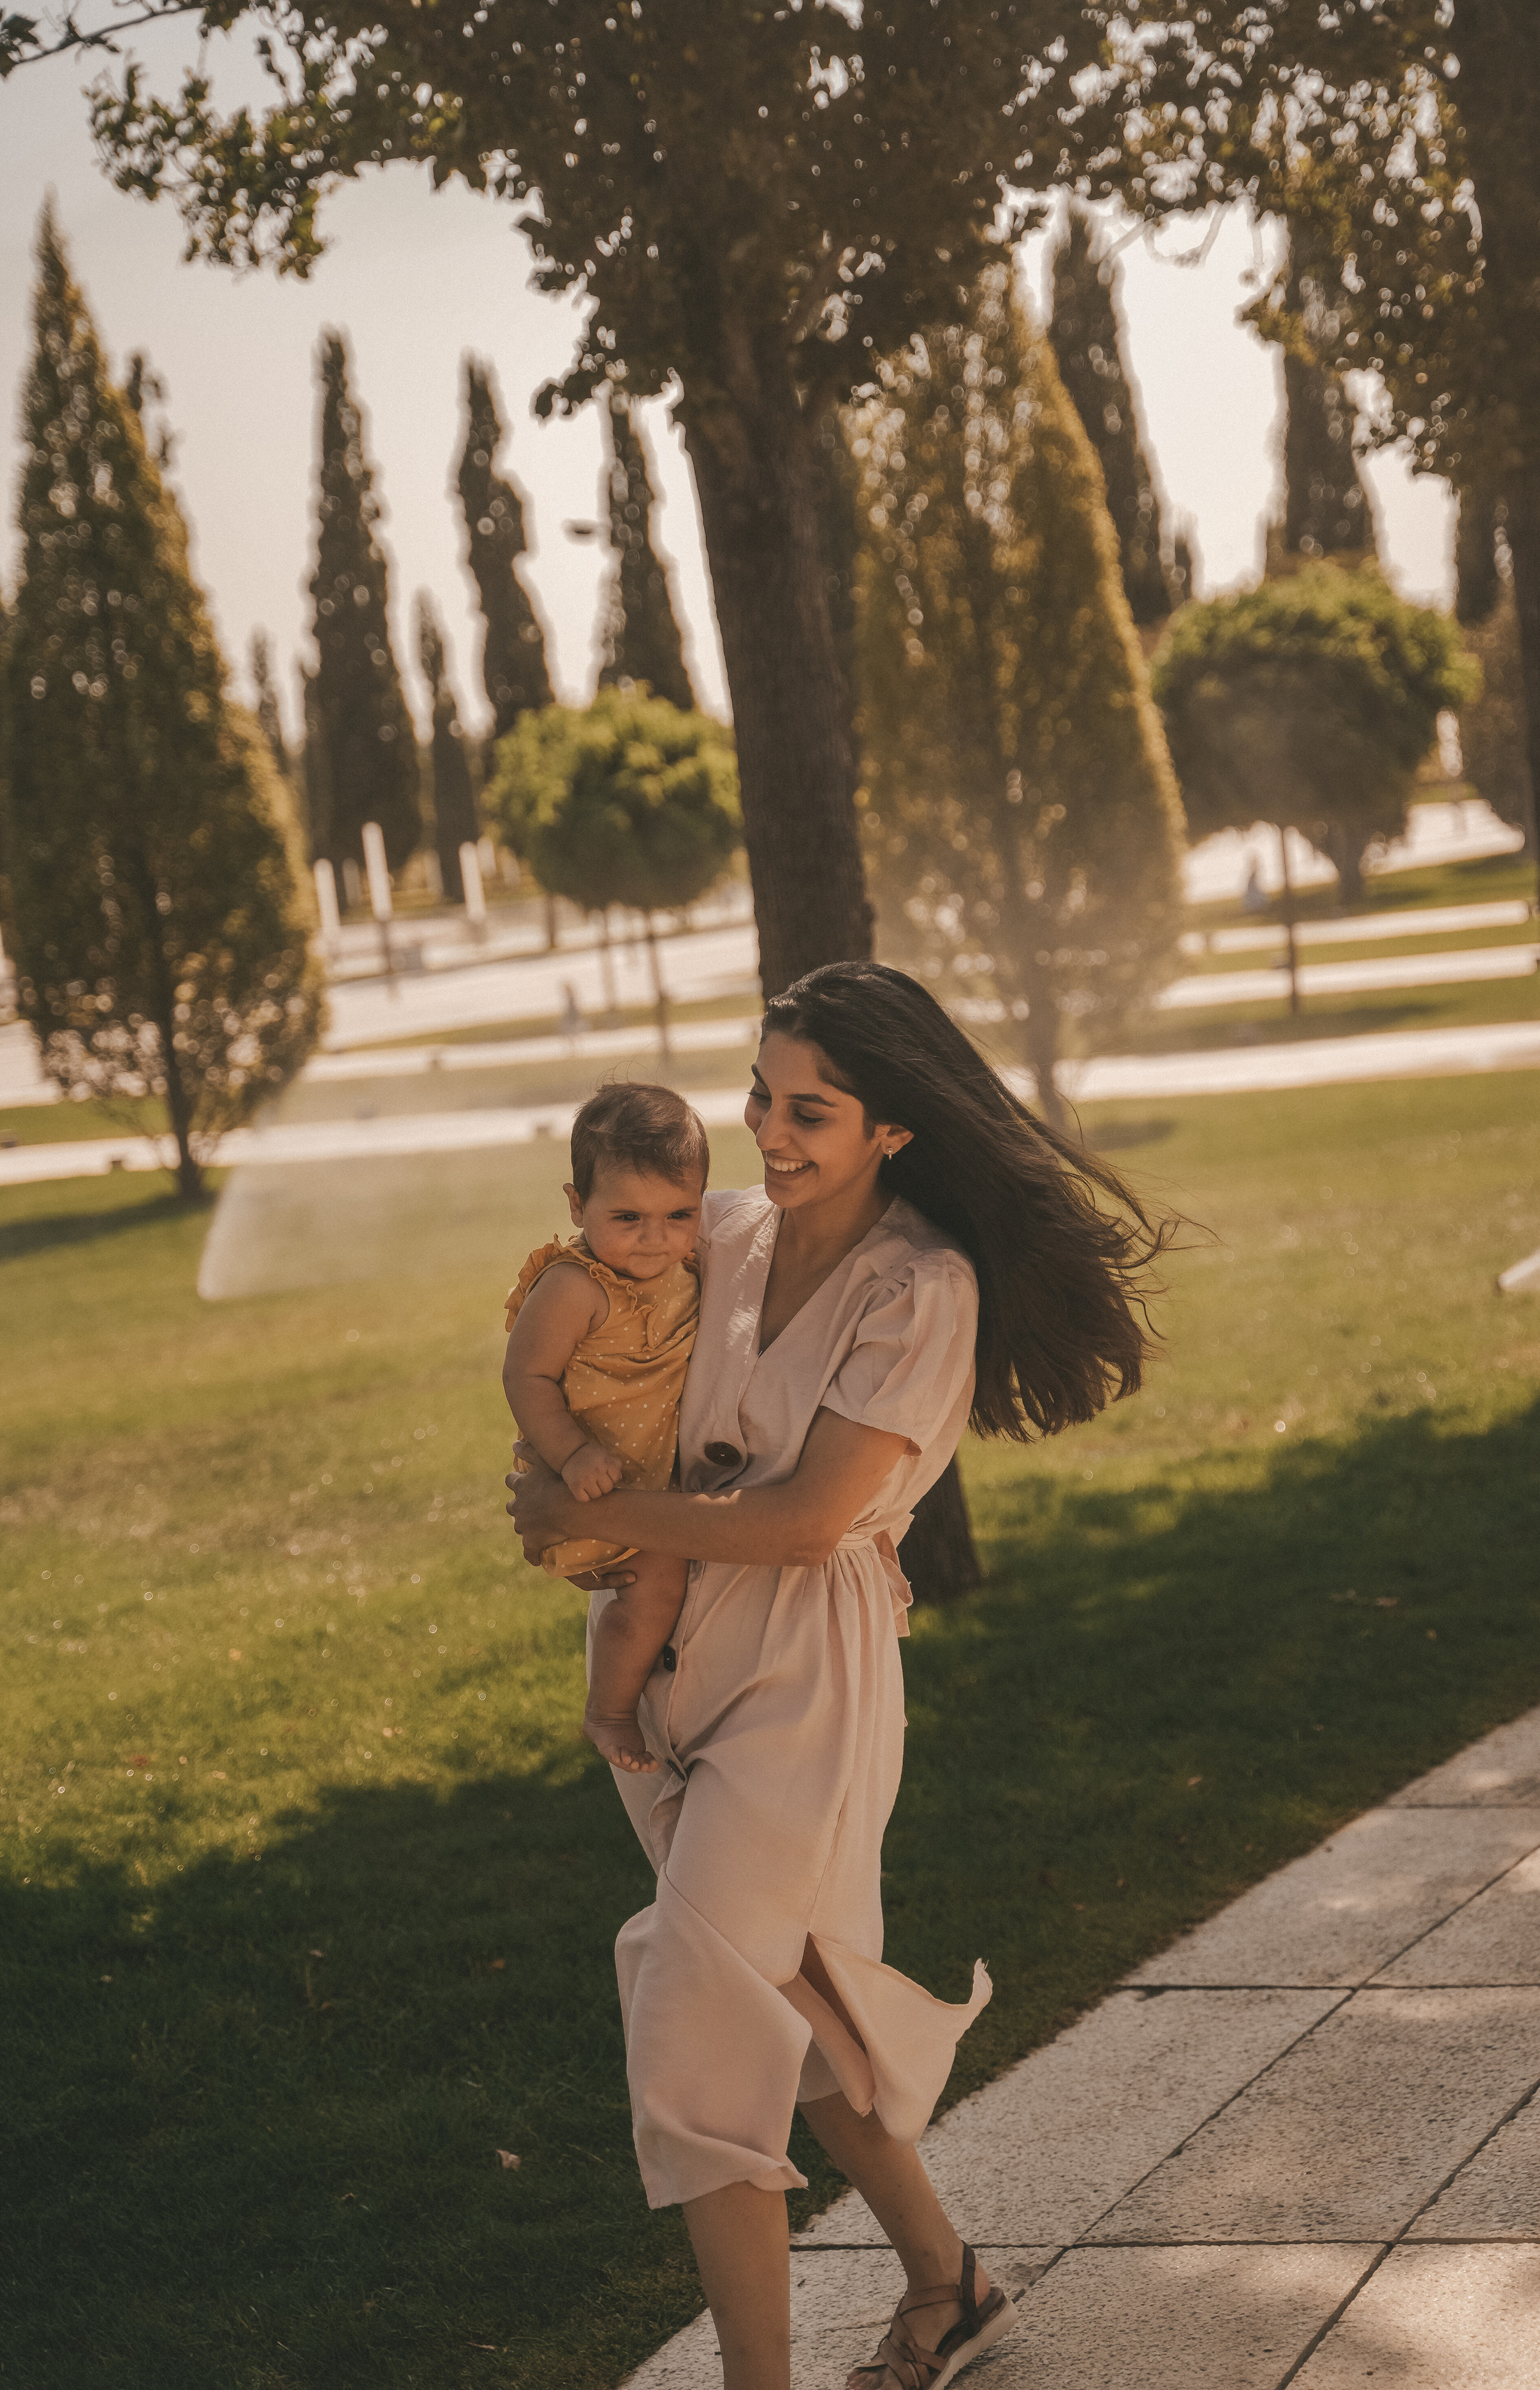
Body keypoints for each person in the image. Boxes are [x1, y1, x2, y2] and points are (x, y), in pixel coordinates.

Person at [507, 962, 1170, 2390]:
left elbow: (809, 1523)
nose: (767, 1130)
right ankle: (949, 2284)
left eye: (811, 1108)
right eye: (759, 1093)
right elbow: (605, 1355)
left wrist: (591, 1514)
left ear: (893, 1128)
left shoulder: (920, 1287)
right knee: (790, 1997)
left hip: (806, 1672)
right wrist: (557, 1455)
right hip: (665, 1648)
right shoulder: (723, 1231)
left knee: (697, 2012)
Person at [502, 1082, 707, 1774]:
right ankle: (610, 1711)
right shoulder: (574, 1287)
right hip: (594, 1480)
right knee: (655, 1585)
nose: (656, 1237)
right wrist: (571, 1453)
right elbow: (526, 1377)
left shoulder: (687, 1267)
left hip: (653, 1478)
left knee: (670, 1580)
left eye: (680, 1213)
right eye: (627, 1217)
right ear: (576, 1206)